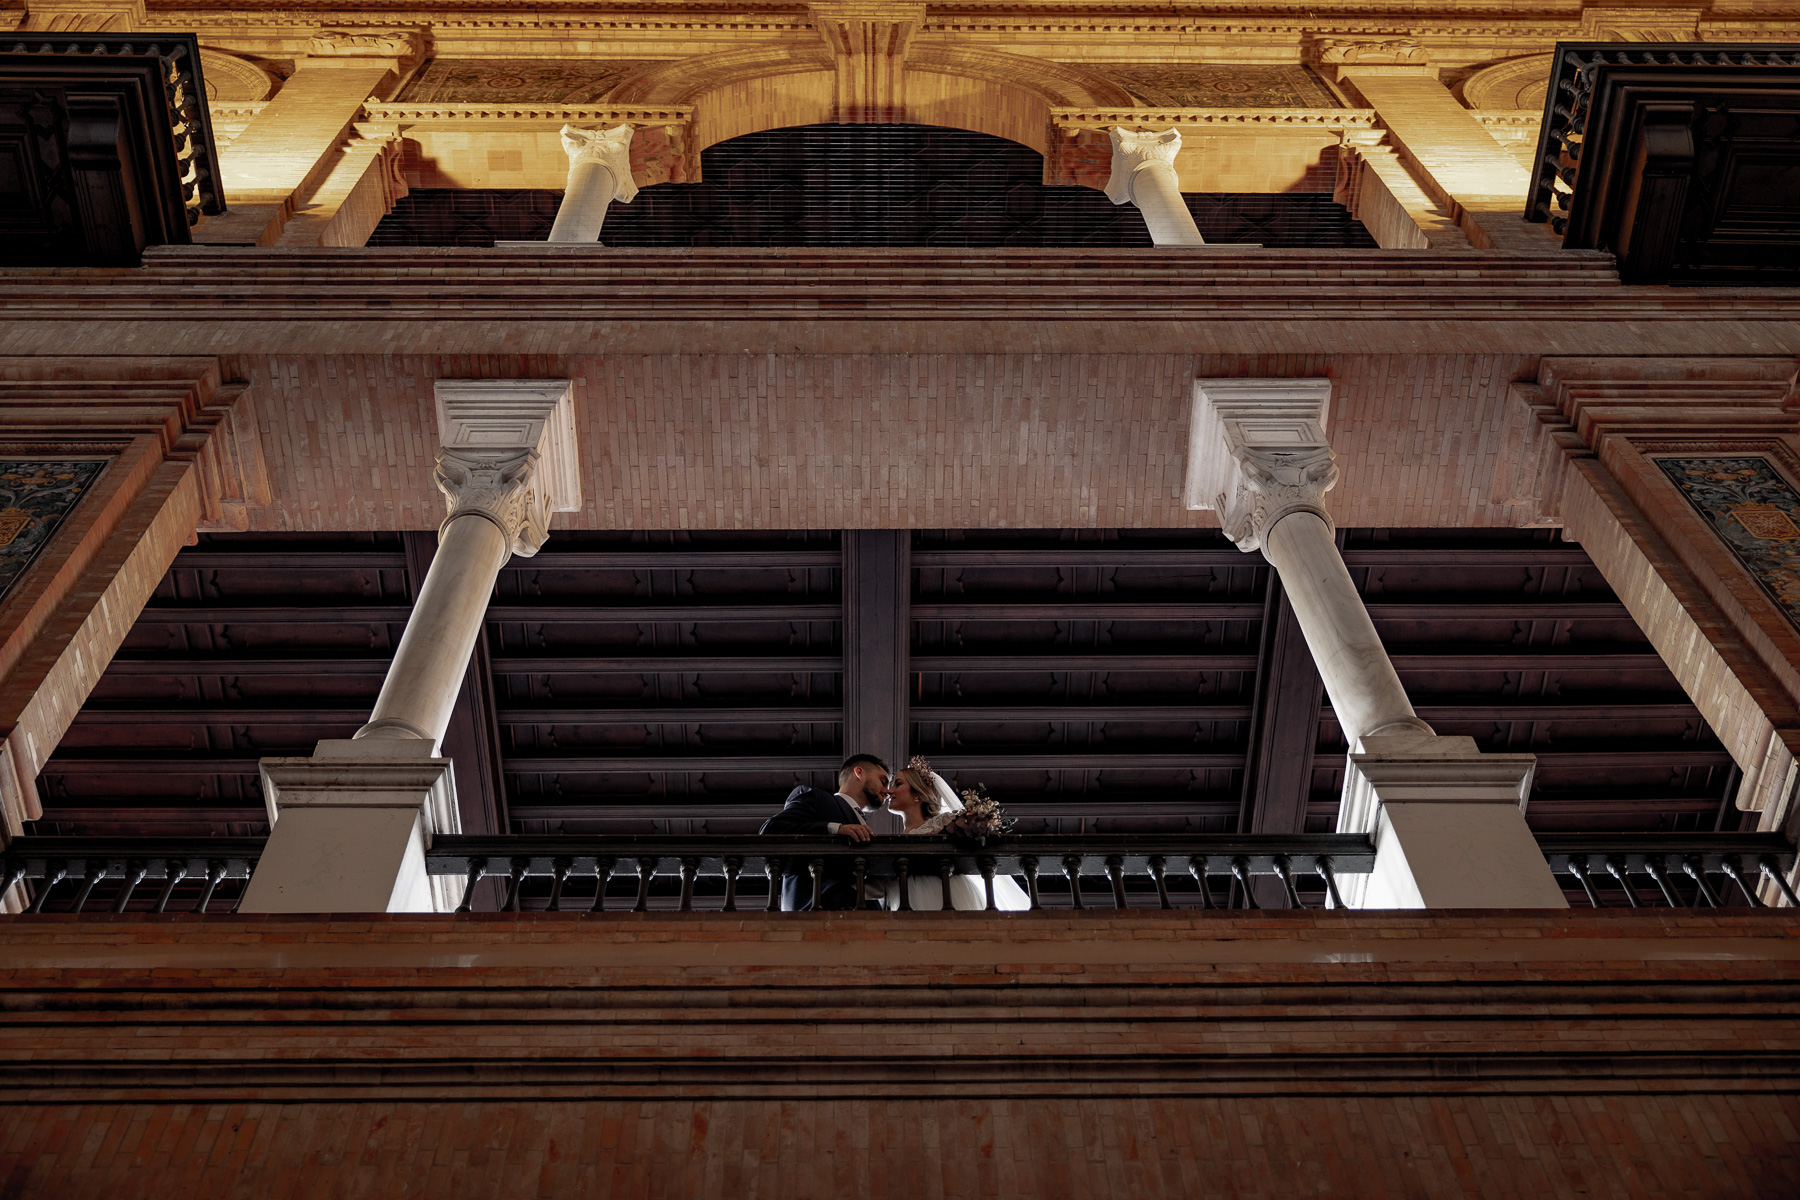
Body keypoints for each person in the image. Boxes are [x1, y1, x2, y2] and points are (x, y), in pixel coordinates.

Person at [882, 758, 1031, 912]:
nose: (889, 791)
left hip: (947, 892)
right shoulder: (899, 838)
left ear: (917, 794)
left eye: (898, 784)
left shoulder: (946, 821)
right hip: (910, 899)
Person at [758, 753, 894, 910]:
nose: (887, 791)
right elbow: (772, 830)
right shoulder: (816, 797)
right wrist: (835, 829)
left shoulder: (863, 822)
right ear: (859, 772)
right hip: (816, 911)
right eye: (883, 782)